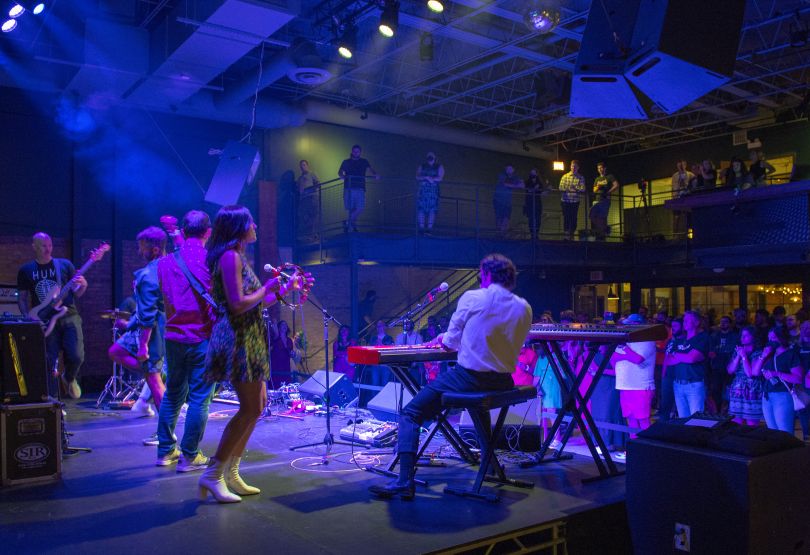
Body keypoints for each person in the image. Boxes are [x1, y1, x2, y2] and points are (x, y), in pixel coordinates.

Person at [369, 254, 532, 500]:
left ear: (487, 274)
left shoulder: (473, 297)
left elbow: (450, 343)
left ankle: (404, 481)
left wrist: (443, 339)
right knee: (476, 406)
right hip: (504, 381)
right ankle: (489, 466)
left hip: (470, 378)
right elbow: (495, 339)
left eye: (481, 275)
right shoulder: (524, 307)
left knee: (411, 413)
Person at [198, 205, 311, 503]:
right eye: (251, 222)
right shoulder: (230, 257)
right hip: (238, 338)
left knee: (258, 406)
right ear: (238, 227)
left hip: (250, 335)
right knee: (248, 408)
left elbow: (256, 302)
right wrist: (268, 287)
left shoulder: (237, 257)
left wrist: (285, 289)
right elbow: (237, 304)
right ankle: (213, 473)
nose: (256, 226)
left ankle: (231, 471)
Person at [155, 210, 216, 471]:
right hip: (201, 336)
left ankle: (165, 451)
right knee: (200, 397)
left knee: (172, 394)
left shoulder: (165, 263)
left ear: (183, 229)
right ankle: (190, 455)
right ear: (208, 232)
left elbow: (166, 299)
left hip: (173, 336)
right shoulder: (211, 259)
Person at [17, 232, 88, 399]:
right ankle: (50, 400)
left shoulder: (64, 265)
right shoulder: (26, 270)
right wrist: (28, 317)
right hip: (44, 320)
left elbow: (77, 293)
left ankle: (68, 377)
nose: (48, 249)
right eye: (43, 246)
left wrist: (83, 285)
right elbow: (22, 298)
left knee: (77, 356)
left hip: (69, 314)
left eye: (50, 245)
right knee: (48, 360)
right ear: (34, 247)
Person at [108, 227, 167, 413]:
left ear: (155, 249)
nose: (139, 252)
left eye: (142, 247)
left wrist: (143, 345)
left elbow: (148, 314)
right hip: (161, 327)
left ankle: (167, 427)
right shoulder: (170, 267)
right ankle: (154, 371)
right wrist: (130, 324)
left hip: (154, 332)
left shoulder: (149, 274)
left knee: (155, 381)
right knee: (116, 351)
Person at [610, 313, 657, 460]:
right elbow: (613, 360)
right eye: (626, 324)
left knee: (643, 420)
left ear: (639, 325)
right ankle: (633, 451)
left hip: (641, 387)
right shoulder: (624, 341)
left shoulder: (647, 341)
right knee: (630, 419)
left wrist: (624, 350)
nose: (627, 327)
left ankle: (649, 451)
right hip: (624, 385)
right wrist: (626, 354)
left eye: (630, 324)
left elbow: (637, 359)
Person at [753, 326, 804, 433]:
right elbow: (755, 372)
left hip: (782, 395)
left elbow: (798, 378)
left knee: (784, 432)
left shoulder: (790, 354)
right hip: (766, 396)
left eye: (773, 338)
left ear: (781, 338)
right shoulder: (768, 355)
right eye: (769, 338)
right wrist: (763, 355)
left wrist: (777, 374)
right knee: (772, 432)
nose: (770, 341)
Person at [665, 311, 708, 418]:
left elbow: (692, 359)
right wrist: (685, 356)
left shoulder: (702, 338)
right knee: (683, 419)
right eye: (684, 320)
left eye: (688, 320)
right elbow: (669, 361)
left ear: (696, 322)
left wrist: (675, 354)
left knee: (696, 419)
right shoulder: (679, 340)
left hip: (694, 384)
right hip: (678, 384)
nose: (684, 322)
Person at [726, 327, 763, 426]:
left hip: (752, 388)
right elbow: (730, 370)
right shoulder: (737, 351)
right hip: (737, 388)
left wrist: (744, 356)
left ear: (753, 337)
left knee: (751, 423)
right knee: (735, 421)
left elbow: (750, 373)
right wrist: (738, 356)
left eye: (746, 335)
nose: (742, 337)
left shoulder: (758, 353)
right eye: (742, 335)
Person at [338, 144, 379, 232]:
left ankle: (348, 222)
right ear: (352, 152)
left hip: (360, 187)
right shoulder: (346, 162)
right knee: (351, 209)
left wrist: (375, 174)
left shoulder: (364, 161)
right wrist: (342, 176)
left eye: (357, 151)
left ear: (360, 152)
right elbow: (340, 171)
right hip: (349, 187)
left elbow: (371, 169)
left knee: (360, 207)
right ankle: (352, 227)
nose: (356, 153)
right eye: (354, 151)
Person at [589, 161, 619, 240]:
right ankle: (605, 229)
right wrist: (598, 187)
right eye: (598, 168)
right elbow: (594, 190)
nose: (599, 170)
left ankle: (602, 235)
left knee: (602, 217)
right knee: (592, 215)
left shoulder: (609, 176)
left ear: (605, 168)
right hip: (597, 200)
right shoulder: (597, 179)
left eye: (601, 168)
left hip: (605, 199)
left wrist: (609, 192)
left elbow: (616, 185)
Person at [416, 152, 444, 233]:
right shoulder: (422, 166)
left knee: (432, 210)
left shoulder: (439, 166)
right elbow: (417, 176)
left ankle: (429, 229)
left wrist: (432, 179)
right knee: (421, 209)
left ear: (435, 158)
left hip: (433, 191)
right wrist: (426, 177)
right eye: (428, 157)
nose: (430, 158)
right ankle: (421, 229)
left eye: (431, 157)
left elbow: (440, 178)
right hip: (423, 191)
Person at [559, 160, 586, 240]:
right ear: (570, 166)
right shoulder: (565, 176)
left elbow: (583, 189)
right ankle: (566, 235)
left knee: (573, 218)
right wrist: (567, 189)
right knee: (566, 218)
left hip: (575, 201)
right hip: (565, 201)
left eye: (575, 166)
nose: (573, 168)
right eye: (572, 166)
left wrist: (575, 188)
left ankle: (571, 235)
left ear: (578, 167)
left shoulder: (581, 177)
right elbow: (560, 187)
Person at [493, 165, 524, 234]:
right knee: (499, 218)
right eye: (507, 168)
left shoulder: (515, 177)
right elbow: (505, 184)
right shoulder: (502, 175)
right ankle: (499, 233)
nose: (509, 170)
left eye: (510, 168)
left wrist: (516, 185)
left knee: (506, 217)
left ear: (513, 169)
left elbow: (522, 185)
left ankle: (503, 233)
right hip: (498, 200)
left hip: (507, 201)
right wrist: (516, 185)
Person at [296, 160, 320, 237]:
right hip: (304, 199)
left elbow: (318, 184)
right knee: (305, 216)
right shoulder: (299, 178)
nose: (302, 167)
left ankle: (313, 234)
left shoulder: (312, 174)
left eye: (304, 165)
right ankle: (309, 233)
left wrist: (309, 190)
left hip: (312, 197)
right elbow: (298, 189)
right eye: (301, 166)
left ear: (307, 165)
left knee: (314, 215)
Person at [269, 319, 294, 386]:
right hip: (277, 365)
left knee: (286, 385)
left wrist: (293, 354)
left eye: (286, 325)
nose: (285, 326)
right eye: (282, 325)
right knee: (277, 384)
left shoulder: (289, 340)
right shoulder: (275, 338)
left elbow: (291, 353)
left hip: (286, 366)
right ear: (279, 327)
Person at [523, 169, 545, 240]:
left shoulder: (539, 182)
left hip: (538, 203)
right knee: (531, 219)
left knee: (538, 219)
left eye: (534, 173)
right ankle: (532, 234)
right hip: (530, 202)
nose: (533, 174)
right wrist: (535, 188)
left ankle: (536, 234)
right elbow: (528, 191)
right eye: (532, 173)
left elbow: (541, 193)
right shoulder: (527, 182)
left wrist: (548, 190)